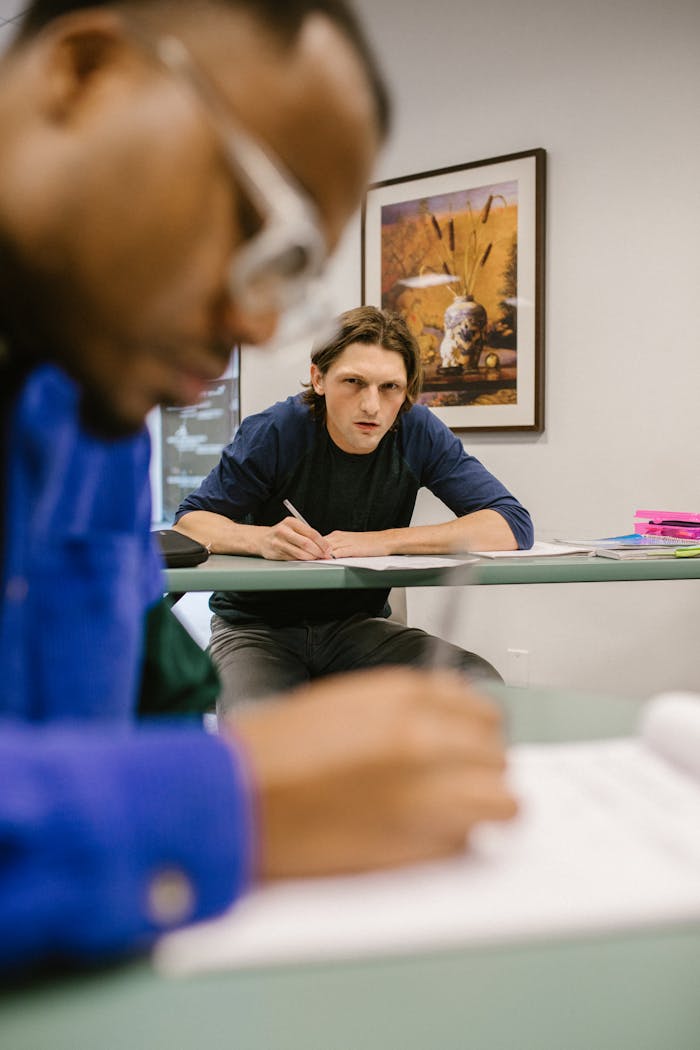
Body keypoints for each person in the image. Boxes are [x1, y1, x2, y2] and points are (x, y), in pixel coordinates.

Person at [0, 0, 518, 974]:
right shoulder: (199, 404)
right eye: (251, 219)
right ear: (84, 73)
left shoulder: (98, 405)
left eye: (287, 274)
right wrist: (233, 799)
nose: (248, 320)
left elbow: (120, 721)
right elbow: (198, 535)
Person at [175, 306, 534, 711]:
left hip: (356, 628)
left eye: (390, 388)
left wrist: (383, 542)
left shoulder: (416, 431)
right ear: (319, 378)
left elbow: (510, 524)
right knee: (258, 730)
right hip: (256, 629)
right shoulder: (277, 431)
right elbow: (190, 522)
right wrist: (262, 538)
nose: (372, 406)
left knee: (478, 684)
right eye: (354, 382)